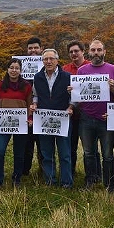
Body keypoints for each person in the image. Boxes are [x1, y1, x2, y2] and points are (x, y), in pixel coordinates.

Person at [76, 40, 114, 192]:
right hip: (86, 118)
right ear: (89, 52)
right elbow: (77, 97)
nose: (96, 52)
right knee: (88, 153)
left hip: (107, 118)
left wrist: (113, 88)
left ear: (104, 51)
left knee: (108, 155)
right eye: (93, 50)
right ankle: (90, 180)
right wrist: (72, 90)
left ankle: (110, 184)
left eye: (99, 50)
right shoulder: (82, 70)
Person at [30, 48, 74, 188]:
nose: (48, 62)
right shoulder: (37, 77)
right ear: (42, 61)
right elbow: (35, 95)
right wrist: (34, 104)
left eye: (51, 59)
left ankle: (66, 182)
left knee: (65, 153)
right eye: (45, 59)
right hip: (44, 120)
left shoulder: (67, 76)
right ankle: (50, 180)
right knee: (46, 153)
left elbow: (75, 96)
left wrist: (71, 107)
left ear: (57, 60)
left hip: (63, 118)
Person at [0, 58, 33, 187]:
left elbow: (30, 104)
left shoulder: (26, 86)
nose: (14, 70)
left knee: (19, 153)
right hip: (2, 125)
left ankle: (16, 178)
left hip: (21, 125)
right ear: (7, 69)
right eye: (11, 68)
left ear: (20, 70)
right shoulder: (0, 85)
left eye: (17, 68)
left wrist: (30, 118)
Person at [61, 40, 92, 177]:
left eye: (76, 51)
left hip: (88, 113)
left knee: (89, 148)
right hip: (71, 114)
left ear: (83, 52)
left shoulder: (91, 67)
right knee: (71, 146)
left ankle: (93, 175)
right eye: (71, 52)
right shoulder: (65, 69)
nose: (74, 54)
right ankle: (70, 172)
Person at [22, 36, 43, 177]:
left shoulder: (47, 64)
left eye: (36, 48)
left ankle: (44, 170)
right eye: (30, 48)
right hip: (25, 112)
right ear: (27, 50)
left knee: (43, 144)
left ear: (41, 49)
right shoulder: (21, 66)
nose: (33, 50)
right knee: (27, 143)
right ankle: (25, 171)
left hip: (43, 111)